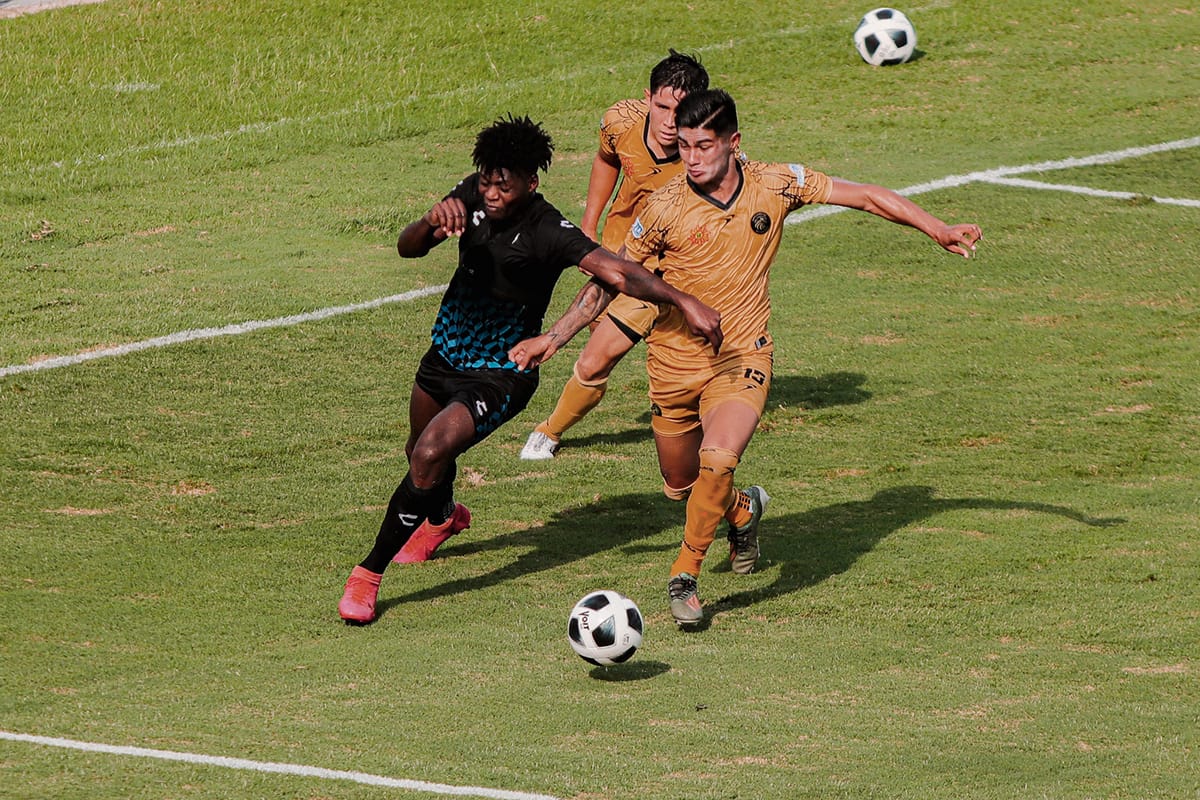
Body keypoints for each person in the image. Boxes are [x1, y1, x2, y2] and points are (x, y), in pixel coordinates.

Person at [511, 89, 983, 626]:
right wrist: (555, 337)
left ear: (734, 144)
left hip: (741, 357)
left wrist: (937, 228)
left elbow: (867, 197)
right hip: (672, 367)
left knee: (718, 459)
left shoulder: (775, 183)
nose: (690, 158)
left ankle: (684, 577)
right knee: (684, 485)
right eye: (684, 146)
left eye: (703, 146)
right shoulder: (662, 208)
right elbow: (608, 280)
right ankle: (742, 509)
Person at [337, 113, 721, 624]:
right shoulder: (471, 193)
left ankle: (367, 576)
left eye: (504, 184)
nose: (491, 193)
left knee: (430, 452)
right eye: (486, 181)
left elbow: (619, 272)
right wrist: (430, 222)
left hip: (502, 372)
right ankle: (444, 519)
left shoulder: (547, 229)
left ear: (531, 182)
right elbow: (407, 247)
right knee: (419, 457)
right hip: (445, 353)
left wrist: (682, 301)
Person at [518, 51, 709, 461]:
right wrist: (590, 222)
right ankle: (552, 431)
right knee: (596, 353)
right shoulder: (620, 121)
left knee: (604, 357)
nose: (670, 121)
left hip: (674, 273)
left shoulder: (706, 164)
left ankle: (548, 430)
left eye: (682, 111)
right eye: (662, 107)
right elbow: (608, 157)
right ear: (647, 99)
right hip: (623, 254)